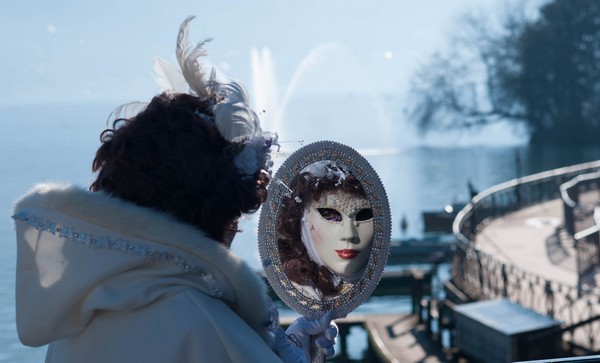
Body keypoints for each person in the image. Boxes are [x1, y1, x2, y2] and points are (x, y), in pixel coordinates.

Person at [12, 16, 336, 363]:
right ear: (209, 212)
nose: (233, 228)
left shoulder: (80, 320)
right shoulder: (201, 324)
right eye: (232, 214)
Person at [277, 161, 374, 300]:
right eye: (330, 216)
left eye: (364, 215)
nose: (349, 235)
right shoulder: (298, 290)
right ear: (302, 221)